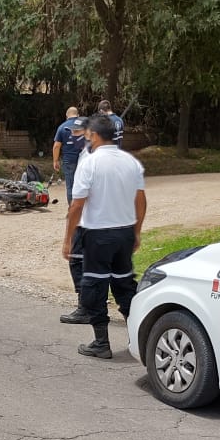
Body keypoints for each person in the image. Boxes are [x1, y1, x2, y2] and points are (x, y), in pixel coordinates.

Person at [61, 113, 146, 359]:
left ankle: (101, 342)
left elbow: (76, 206)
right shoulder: (131, 162)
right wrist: (136, 231)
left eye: (88, 134)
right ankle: (138, 340)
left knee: (95, 287)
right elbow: (141, 201)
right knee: (125, 286)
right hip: (124, 234)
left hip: (97, 235)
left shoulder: (89, 163)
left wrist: (68, 239)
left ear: (95, 136)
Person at [52, 108, 86, 204]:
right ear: (78, 115)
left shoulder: (62, 127)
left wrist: (55, 161)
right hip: (84, 160)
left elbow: (56, 146)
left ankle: (72, 209)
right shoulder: (83, 126)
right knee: (84, 185)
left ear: (66, 117)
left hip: (69, 161)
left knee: (70, 186)